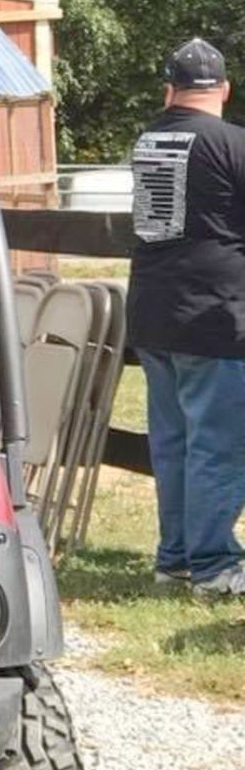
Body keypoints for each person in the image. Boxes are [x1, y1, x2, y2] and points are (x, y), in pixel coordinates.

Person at [127, 36, 245, 598]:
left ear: (169, 89)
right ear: (223, 88)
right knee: (217, 447)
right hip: (214, 319)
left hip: (154, 314)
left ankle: (174, 559)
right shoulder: (231, 145)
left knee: (171, 443)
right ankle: (215, 566)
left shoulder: (148, 142)